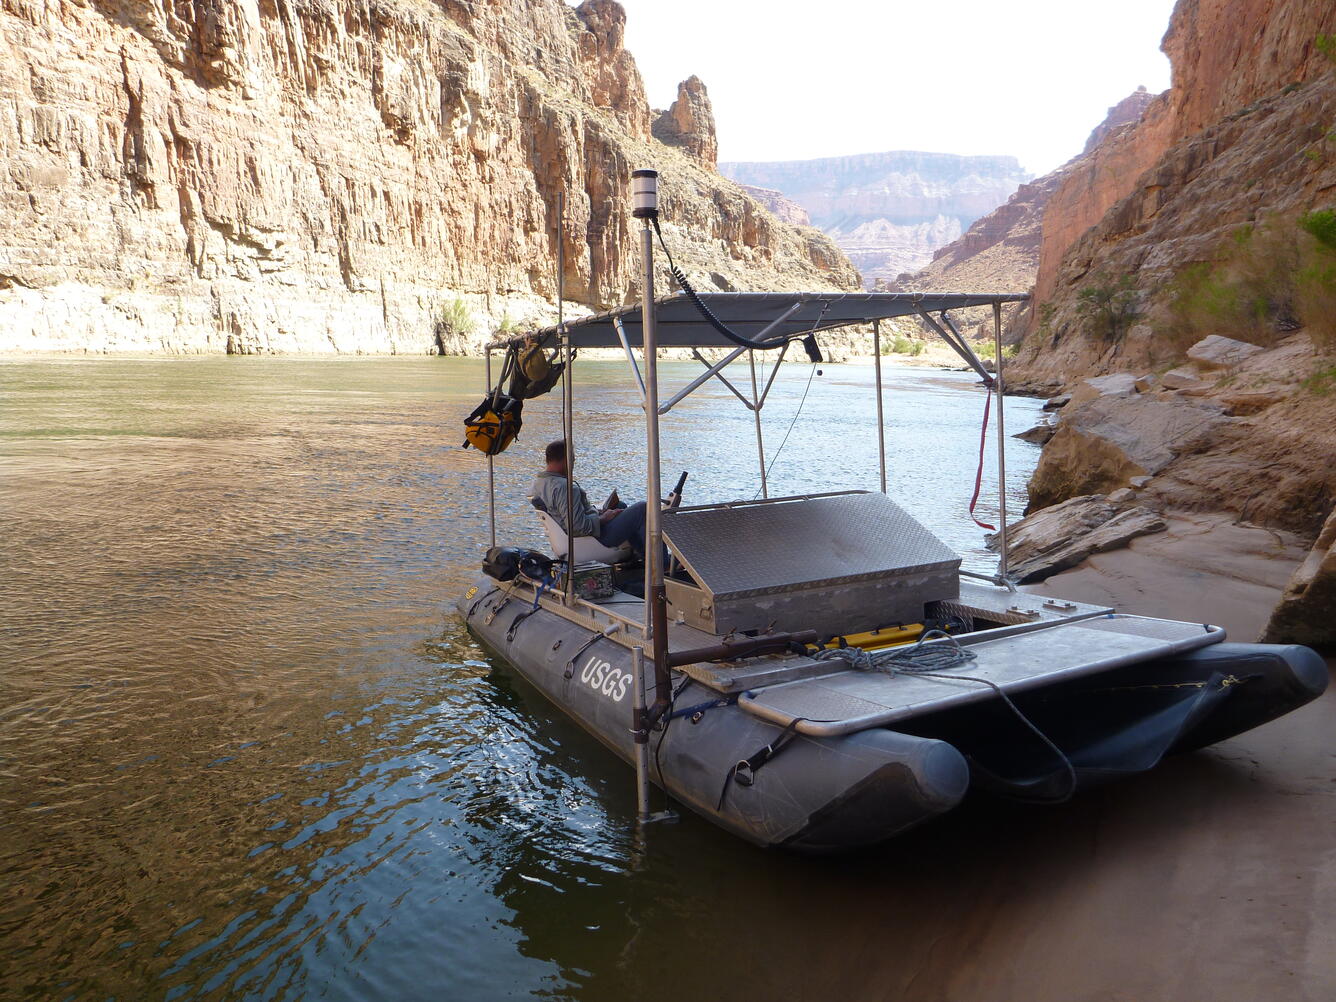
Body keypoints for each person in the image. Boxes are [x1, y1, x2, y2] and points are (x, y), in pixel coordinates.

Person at [530, 440, 650, 557]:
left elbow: (565, 514)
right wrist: (603, 518)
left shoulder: (538, 484)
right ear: (566, 460)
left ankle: (640, 554)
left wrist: (597, 512)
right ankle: (655, 561)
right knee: (641, 508)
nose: (573, 465)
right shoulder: (566, 488)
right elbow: (577, 528)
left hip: (563, 540)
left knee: (620, 506)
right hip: (590, 541)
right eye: (573, 460)